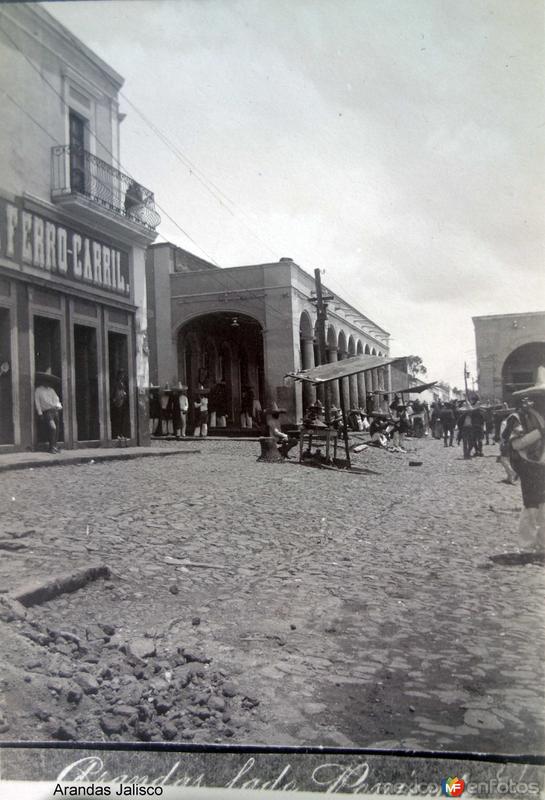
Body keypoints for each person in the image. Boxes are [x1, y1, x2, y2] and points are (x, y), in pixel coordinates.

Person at [510, 366, 545, 553]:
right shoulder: (521, 418)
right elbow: (516, 445)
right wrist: (539, 433)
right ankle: (526, 544)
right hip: (529, 465)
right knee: (531, 504)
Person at [34, 370, 62, 453]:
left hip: (55, 411)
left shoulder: (51, 390)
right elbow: (37, 402)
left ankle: (54, 446)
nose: (47, 383)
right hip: (47, 412)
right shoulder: (38, 390)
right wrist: (40, 413)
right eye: (45, 381)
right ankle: (51, 447)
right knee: (53, 428)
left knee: (56, 430)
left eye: (48, 381)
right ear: (43, 381)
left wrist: (59, 406)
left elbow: (57, 400)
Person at [498, 407, 520, 485]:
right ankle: (509, 478)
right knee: (509, 459)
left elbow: (507, 431)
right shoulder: (519, 417)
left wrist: (503, 440)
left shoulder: (510, 419)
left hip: (508, 440)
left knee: (503, 459)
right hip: (516, 439)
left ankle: (512, 473)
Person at [111, 370, 129, 440]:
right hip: (118, 404)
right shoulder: (116, 384)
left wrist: (124, 395)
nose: (122, 376)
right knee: (117, 419)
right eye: (121, 375)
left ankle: (121, 433)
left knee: (122, 419)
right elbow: (114, 393)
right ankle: (116, 434)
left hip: (122, 403)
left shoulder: (123, 384)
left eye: (123, 375)